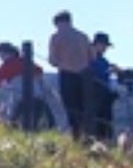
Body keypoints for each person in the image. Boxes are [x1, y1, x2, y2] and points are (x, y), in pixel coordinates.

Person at [47, 12, 91, 141]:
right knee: (84, 108)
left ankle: (76, 136)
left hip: (67, 74)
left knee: (71, 108)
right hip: (84, 76)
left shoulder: (56, 37)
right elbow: (91, 58)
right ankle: (87, 136)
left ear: (57, 23)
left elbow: (53, 61)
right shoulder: (83, 37)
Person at [84, 33, 119, 143]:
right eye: (104, 46)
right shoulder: (89, 58)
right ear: (97, 44)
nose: (105, 49)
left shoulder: (104, 61)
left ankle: (105, 140)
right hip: (94, 94)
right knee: (97, 121)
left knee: (106, 120)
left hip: (105, 94)